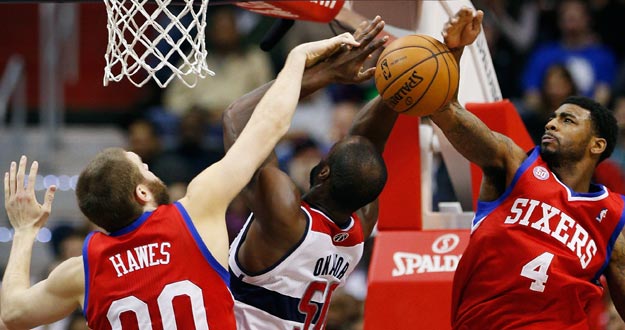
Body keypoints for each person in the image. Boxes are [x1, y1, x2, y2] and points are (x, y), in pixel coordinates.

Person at [0, 33, 362, 329]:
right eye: (142, 166)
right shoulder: (195, 213)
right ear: (141, 192)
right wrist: (296, 60)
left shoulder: (84, 270)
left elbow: (11, 315)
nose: (151, 168)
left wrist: (25, 232)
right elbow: (268, 126)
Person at [434, 7, 625, 328]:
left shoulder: (614, 217)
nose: (551, 124)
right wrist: (452, 53)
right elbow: (447, 112)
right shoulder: (513, 164)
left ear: (597, 145)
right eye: (553, 117)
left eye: (567, 120)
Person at [223, 16, 396, 329]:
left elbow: (238, 118)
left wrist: (324, 73)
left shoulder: (284, 214)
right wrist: (400, 83)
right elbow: (367, 144)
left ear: (324, 171)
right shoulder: (358, 232)